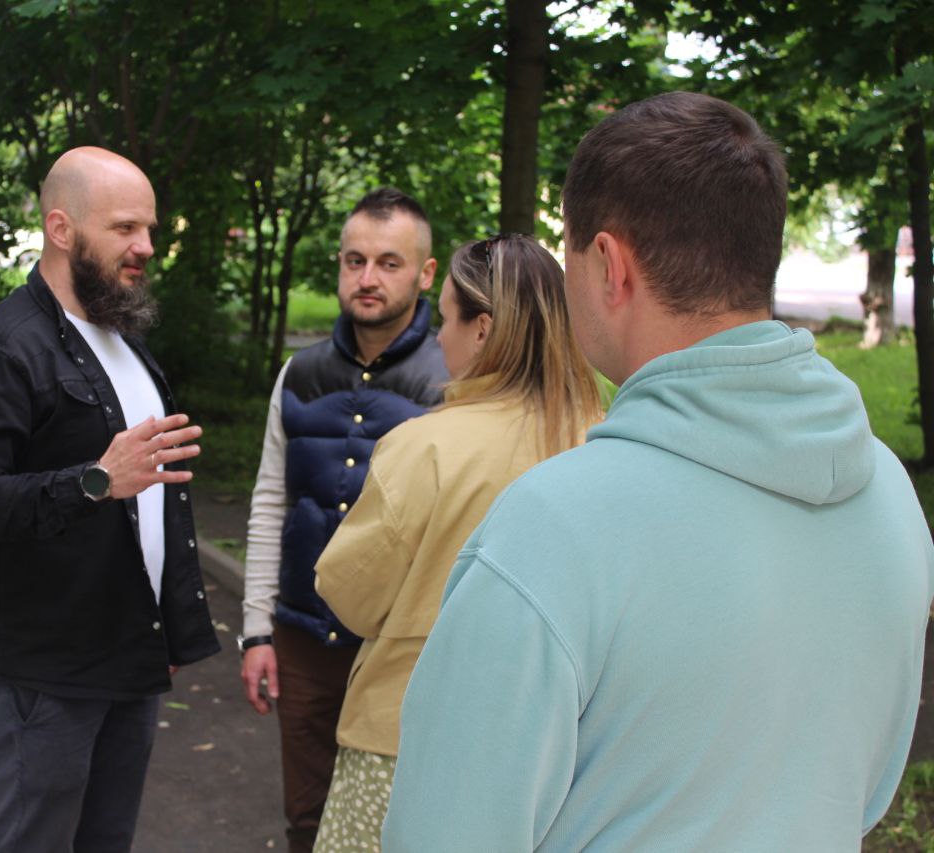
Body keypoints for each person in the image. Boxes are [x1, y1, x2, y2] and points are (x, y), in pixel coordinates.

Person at [382, 91, 934, 851]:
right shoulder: (889, 494)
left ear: (608, 264)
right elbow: (862, 789)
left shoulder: (551, 528)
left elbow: (443, 833)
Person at [0, 146, 221, 853]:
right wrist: (94, 479)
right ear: (61, 228)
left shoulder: (124, 340)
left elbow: (152, 503)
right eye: (125, 228)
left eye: (149, 229)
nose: (145, 247)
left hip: (127, 654)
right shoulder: (1, 349)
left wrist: (164, 624)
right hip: (43, 669)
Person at [311, 234, 604, 850]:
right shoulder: (603, 443)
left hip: (407, 740)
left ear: (483, 329)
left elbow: (349, 594)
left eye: (445, 318)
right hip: (559, 752)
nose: (438, 336)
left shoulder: (426, 447)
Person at [239, 188, 449, 851]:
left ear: (426, 273)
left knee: (397, 826)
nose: (367, 278)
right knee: (307, 819)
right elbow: (271, 499)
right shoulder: (297, 375)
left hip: (403, 650)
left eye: (389, 262)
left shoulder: (457, 382)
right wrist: (255, 630)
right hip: (303, 637)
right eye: (354, 260)